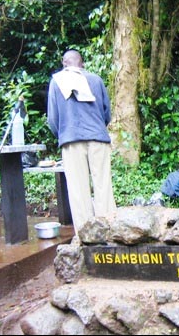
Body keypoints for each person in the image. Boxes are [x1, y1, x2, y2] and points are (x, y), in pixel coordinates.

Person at [47, 49, 117, 235]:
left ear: (64, 63)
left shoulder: (56, 82)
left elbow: (53, 119)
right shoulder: (96, 80)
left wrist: (62, 135)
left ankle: (86, 237)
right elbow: (106, 112)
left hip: (71, 140)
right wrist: (96, 128)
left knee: (79, 191)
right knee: (103, 186)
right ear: (82, 63)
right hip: (98, 139)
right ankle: (109, 232)